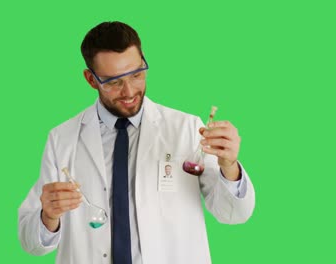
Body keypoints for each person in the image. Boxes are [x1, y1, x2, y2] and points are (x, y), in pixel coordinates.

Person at [18, 21, 255, 264]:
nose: (129, 91)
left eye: (137, 74)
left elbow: (233, 214)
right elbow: (31, 243)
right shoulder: (62, 139)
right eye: (113, 82)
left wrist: (229, 166)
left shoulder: (186, 129)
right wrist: (48, 216)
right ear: (91, 79)